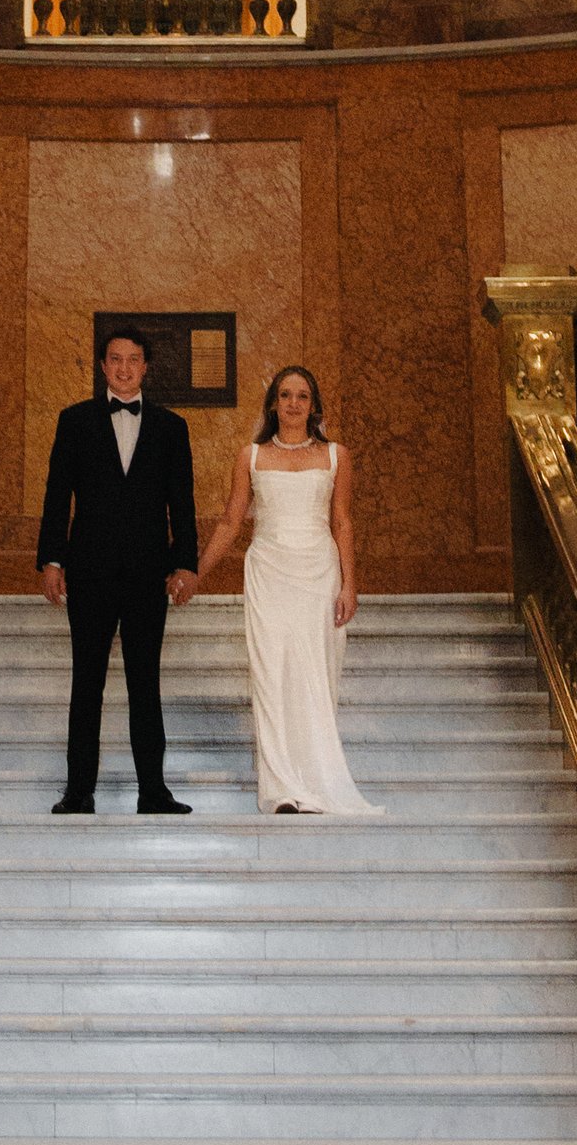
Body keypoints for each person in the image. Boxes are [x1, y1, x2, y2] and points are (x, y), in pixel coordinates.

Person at [193, 365, 379, 817]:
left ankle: (316, 780)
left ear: (313, 405)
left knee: (316, 675)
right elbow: (231, 522)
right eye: (285, 395)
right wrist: (196, 573)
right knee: (271, 675)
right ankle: (280, 790)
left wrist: (350, 584)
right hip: (269, 573)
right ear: (273, 404)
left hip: (318, 573)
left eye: (302, 396)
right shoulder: (250, 457)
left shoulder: (337, 455)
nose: (293, 403)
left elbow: (342, 521)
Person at [36, 331, 198, 816]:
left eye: (133, 360)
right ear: (103, 367)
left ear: (146, 366)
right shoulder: (74, 421)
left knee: (144, 683)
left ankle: (154, 791)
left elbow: (182, 505)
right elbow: (55, 497)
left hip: (149, 575)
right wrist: (52, 560)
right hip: (88, 572)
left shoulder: (172, 427)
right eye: (115, 360)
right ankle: (78, 791)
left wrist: (185, 563)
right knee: (87, 683)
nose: (124, 368)